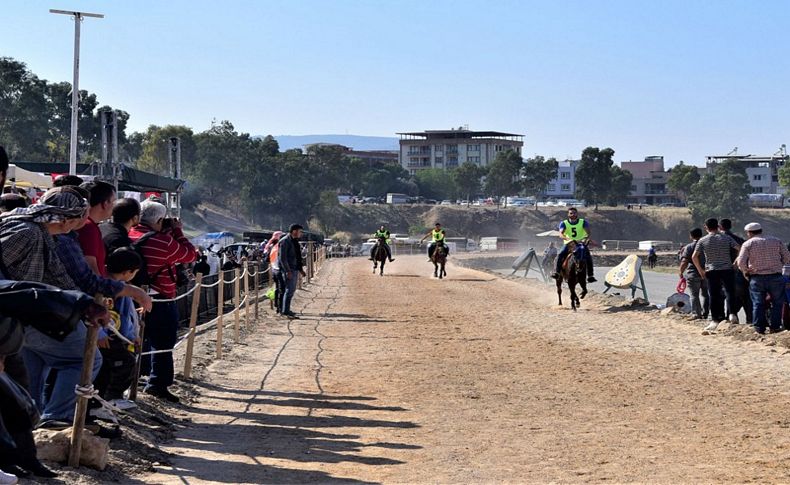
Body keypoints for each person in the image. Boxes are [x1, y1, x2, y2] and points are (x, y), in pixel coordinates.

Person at [0, 187, 105, 428]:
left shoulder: (40, 231)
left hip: (24, 313)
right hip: (17, 313)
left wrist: (81, 304)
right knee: (85, 359)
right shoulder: (27, 232)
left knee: (31, 372)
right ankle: (56, 416)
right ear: (68, 219)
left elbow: (57, 277)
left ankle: (31, 425)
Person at [129, 200, 196, 403]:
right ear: (159, 220)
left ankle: (135, 377)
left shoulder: (127, 234)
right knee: (163, 343)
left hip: (130, 296)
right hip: (160, 297)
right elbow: (189, 254)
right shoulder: (162, 241)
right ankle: (158, 383)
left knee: (134, 339)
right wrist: (177, 231)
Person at [92, 248, 142, 413]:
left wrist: (132, 336)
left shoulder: (121, 288)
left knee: (116, 364)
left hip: (118, 334)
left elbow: (128, 316)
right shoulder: (108, 288)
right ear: (129, 272)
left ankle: (106, 398)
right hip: (106, 335)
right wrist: (99, 334)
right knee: (121, 364)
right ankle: (111, 397)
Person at [736, 222, 790, 334]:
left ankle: (759, 328)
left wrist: (746, 271)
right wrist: (778, 264)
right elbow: (787, 257)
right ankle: (775, 326)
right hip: (776, 276)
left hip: (757, 278)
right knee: (777, 302)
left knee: (758, 303)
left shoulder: (748, 244)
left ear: (749, 233)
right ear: (761, 230)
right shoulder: (776, 241)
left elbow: (740, 262)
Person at [692, 217, 740, 331]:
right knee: (730, 292)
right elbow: (739, 248)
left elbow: (694, 256)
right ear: (718, 226)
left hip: (712, 270)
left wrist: (700, 270)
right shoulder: (726, 238)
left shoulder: (703, 240)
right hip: (727, 268)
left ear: (706, 227)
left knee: (713, 295)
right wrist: (736, 262)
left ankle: (715, 319)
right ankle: (732, 314)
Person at [77, 181, 116, 277]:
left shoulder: (85, 224)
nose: (114, 206)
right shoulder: (88, 228)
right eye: (113, 201)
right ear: (105, 203)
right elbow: (91, 268)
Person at [720, 218, 752, 325]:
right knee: (744, 296)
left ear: (720, 227)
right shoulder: (740, 240)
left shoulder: (718, 239)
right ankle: (749, 319)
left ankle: (728, 317)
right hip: (739, 271)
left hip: (723, 270)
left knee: (727, 295)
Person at [551, 207, 596, 282]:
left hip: (580, 244)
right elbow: (561, 234)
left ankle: (590, 275)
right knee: (560, 254)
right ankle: (557, 272)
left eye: (574, 213)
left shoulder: (583, 222)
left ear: (577, 214)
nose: (573, 214)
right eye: (571, 213)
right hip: (569, 243)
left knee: (588, 256)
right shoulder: (564, 223)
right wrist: (568, 239)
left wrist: (584, 238)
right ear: (568, 214)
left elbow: (588, 232)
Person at [679, 228, 709, 320]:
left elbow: (684, 261)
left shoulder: (689, 247)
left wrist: (680, 272)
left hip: (693, 274)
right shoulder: (707, 244)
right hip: (707, 273)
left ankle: (696, 313)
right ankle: (706, 313)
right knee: (706, 294)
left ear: (691, 236)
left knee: (694, 295)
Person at [278, 224, 306, 319]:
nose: (301, 234)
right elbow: (283, 258)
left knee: (291, 290)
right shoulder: (285, 241)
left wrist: (300, 269)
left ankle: (286, 310)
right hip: (289, 269)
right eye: (300, 231)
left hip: (294, 269)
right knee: (289, 290)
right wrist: (287, 271)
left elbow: (297, 257)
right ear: (294, 231)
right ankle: (285, 311)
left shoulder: (294, 241)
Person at [265, 231, 285, 314]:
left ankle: (277, 306)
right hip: (279, 270)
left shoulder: (271, 246)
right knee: (282, 289)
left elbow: (266, 259)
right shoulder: (278, 247)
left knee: (277, 288)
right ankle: (280, 308)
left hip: (273, 270)